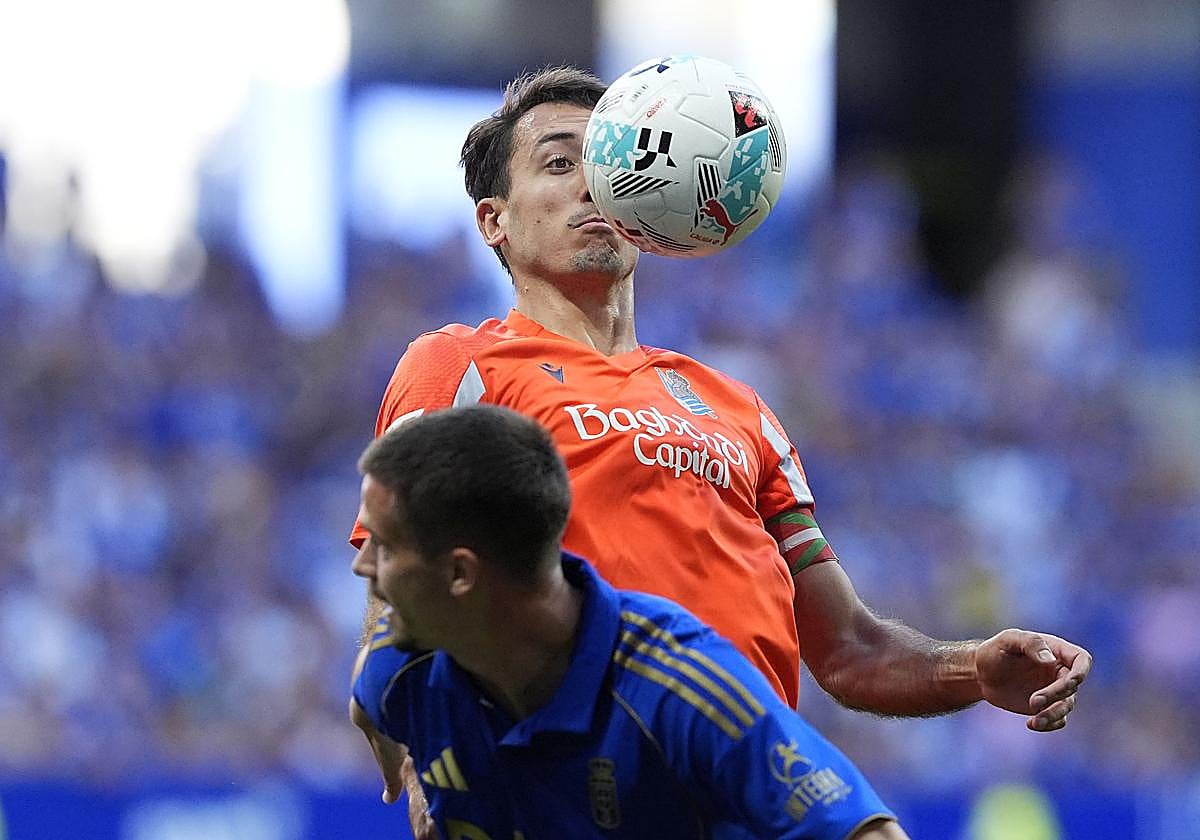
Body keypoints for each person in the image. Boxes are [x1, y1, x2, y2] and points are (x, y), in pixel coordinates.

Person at [347, 64, 1090, 816]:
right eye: (559, 162)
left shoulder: (738, 407)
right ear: (493, 220)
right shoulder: (462, 365)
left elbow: (847, 650)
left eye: (609, 159)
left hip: (748, 802)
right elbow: (397, 574)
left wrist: (973, 667)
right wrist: (417, 749)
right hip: (570, 791)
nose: (592, 182)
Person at [350, 404, 908, 839]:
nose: (361, 565)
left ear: (460, 574)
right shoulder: (396, 667)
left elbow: (867, 832)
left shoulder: (683, 689)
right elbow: (366, 703)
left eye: (384, 547)